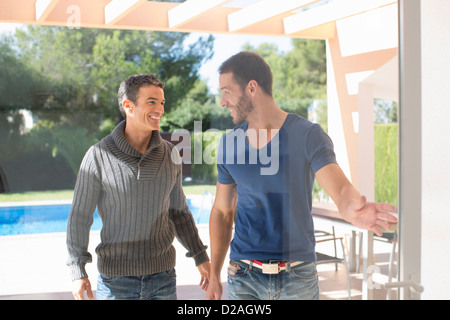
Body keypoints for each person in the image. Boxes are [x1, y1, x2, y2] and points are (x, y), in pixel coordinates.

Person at [205, 51, 397, 300]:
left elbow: (339, 188)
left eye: (226, 91)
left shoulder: (307, 135)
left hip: (297, 280)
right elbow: (222, 212)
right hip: (244, 279)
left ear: (251, 88)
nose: (222, 101)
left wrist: (350, 207)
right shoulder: (229, 144)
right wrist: (214, 275)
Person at [66, 74, 210, 300]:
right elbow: (79, 217)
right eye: (151, 102)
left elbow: (179, 213)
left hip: (163, 279)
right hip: (116, 282)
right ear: (128, 106)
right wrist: (78, 271)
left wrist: (200, 256)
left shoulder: (170, 154)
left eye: (162, 102)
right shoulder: (98, 156)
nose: (160, 109)